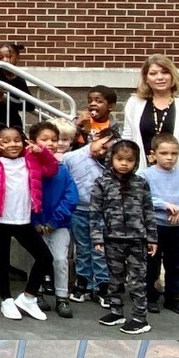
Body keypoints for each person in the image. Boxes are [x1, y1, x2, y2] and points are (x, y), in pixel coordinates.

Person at [0, 124, 59, 321]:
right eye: (5, 141)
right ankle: (6, 299)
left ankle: (28, 297)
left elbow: (51, 169)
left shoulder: (31, 160)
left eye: (17, 140)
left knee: (45, 257)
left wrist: (42, 152)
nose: (12, 145)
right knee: (2, 259)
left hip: (23, 219)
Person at [90, 140, 158, 335]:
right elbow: (95, 212)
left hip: (137, 239)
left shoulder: (141, 183)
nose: (124, 163)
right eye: (120, 159)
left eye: (129, 160)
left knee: (137, 280)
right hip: (112, 238)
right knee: (115, 278)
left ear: (136, 162)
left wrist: (152, 238)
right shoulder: (102, 183)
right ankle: (116, 311)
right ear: (111, 158)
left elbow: (149, 212)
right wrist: (97, 237)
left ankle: (139, 318)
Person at [122, 54, 179, 198]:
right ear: (146, 78)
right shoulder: (135, 102)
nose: (160, 77)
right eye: (153, 73)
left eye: (165, 72)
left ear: (173, 75)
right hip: (143, 176)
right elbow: (128, 140)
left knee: (175, 211)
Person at [141, 133, 179, 315]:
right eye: (164, 153)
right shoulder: (145, 175)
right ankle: (150, 296)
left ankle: (173, 297)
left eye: (174, 153)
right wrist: (165, 205)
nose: (169, 157)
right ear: (153, 154)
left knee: (175, 264)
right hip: (154, 227)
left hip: (177, 228)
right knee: (151, 263)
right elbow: (143, 197)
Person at [29, 121, 79, 318]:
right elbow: (26, 196)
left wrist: (55, 221)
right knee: (36, 259)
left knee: (60, 259)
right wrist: (35, 222)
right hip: (35, 225)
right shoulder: (28, 167)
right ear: (33, 141)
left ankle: (62, 296)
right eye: (45, 139)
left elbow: (71, 197)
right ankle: (36, 292)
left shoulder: (62, 169)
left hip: (59, 225)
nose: (50, 143)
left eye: (54, 140)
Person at [63, 131, 115, 305]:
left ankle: (102, 286)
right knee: (83, 248)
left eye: (107, 150)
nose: (102, 151)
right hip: (79, 209)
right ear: (95, 138)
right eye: (102, 146)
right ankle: (83, 283)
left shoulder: (111, 161)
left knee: (100, 250)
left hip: (101, 211)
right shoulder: (71, 158)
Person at [0, 42, 31, 130]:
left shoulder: (19, 79)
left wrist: (7, 101)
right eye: (1, 57)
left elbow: (30, 105)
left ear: (17, 57)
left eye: (9, 56)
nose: (5, 60)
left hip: (12, 121)